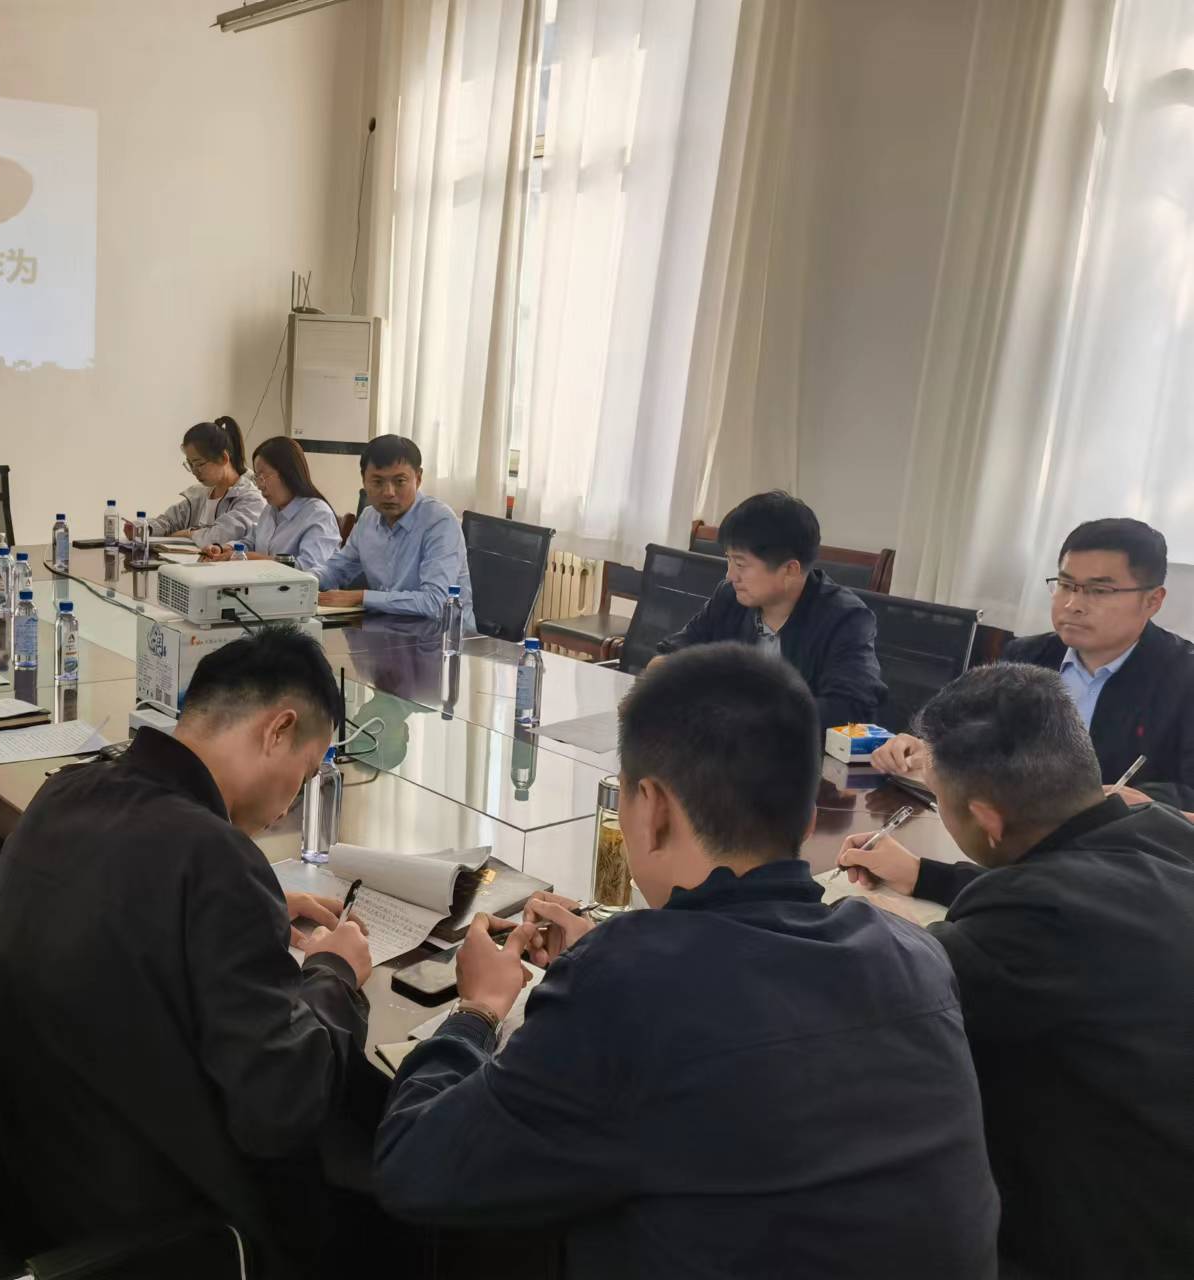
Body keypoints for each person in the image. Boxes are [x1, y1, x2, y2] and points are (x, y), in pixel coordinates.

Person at [375, 644, 998, 1279]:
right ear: (810, 819)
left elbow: (414, 1166)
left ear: (652, 809)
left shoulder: (629, 984)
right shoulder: (912, 952)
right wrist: (602, 952)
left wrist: (477, 1011)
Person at [0, 626, 372, 1278]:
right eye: (304, 775)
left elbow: (128, 907)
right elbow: (280, 1107)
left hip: (27, 1193)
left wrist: (254, 905)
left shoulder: (63, 793)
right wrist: (336, 972)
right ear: (278, 730)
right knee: (371, 1178)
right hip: (157, 1236)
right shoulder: (215, 859)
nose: (290, 807)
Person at [836, 662, 1194, 1279]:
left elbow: (881, 985)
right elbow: (1076, 885)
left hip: (1105, 1239)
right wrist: (927, 875)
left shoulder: (1024, 929)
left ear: (987, 819)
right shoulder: (1162, 833)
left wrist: (859, 917)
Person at [873, 518, 1194, 809]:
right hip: (1011, 832)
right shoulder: (1026, 655)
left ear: (1152, 600)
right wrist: (924, 749)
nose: (1073, 604)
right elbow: (966, 732)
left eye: (1099, 590)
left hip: (1123, 844)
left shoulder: (1184, 676)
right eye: (1066, 585)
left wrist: (1150, 802)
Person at [654, 490, 886, 727]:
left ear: (790, 570)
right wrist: (666, 664)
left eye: (740, 564)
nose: (730, 575)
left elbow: (848, 709)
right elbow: (683, 645)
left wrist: (753, 715)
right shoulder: (730, 596)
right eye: (729, 559)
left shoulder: (846, 619)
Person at [315, 434, 474, 626]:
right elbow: (338, 569)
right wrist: (304, 580)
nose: (388, 492)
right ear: (363, 481)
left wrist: (361, 597)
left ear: (418, 478)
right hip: (388, 629)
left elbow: (435, 603)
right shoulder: (368, 518)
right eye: (378, 482)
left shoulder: (439, 521)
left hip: (444, 637)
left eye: (400, 481)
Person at [199, 436, 341, 571]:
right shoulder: (270, 510)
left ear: (287, 473)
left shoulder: (318, 514)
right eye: (257, 477)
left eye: (263, 476)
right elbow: (250, 542)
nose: (260, 485)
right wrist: (224, 549)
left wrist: (252, 558)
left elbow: (309, 569)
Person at [131, 416, 267, 548]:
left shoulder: (251, 499)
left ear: (223, 458)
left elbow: (219, 536)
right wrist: (145, 529)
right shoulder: (200, 494)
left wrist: (188, 533)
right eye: (190, 464)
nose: (194, 471)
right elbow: (170, 521)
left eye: (199, 464)